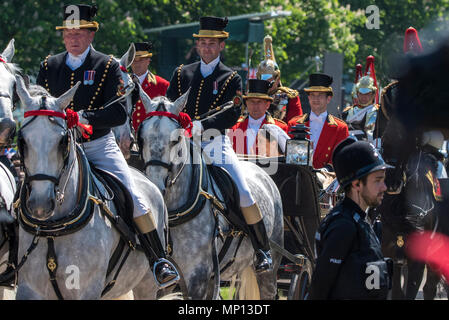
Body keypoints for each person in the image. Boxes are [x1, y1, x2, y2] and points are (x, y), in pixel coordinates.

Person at [36, 4, 179, 288]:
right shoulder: (48, 66)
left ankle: (158, 260)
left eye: (79, 33)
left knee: (135, 197)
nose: (73, 38)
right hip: (57, 150)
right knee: (28, 190)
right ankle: (15, 258)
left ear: (91, 35)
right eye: (68, 33)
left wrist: (85, 117)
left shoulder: (108, 66)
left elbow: (118, 113)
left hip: (97, 146)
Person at [166, 16, 272, 273]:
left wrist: (201, 125)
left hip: (215, 142)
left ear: (221, 45)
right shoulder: (182, 73)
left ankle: (261, 249)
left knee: (244, 192)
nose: (206, 47)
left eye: (212, 43)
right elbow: (169, 107)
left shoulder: (231, 77)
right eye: (202, 42)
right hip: (182, 142)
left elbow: (232, 111)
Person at [309, 137, 393, 300]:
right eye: (377, 180)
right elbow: (319, 287)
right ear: (356, 184)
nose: (384, 187)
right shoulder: (343, 226)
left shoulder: (363, 222)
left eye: (383, 180)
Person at [287, 73, 348, 169]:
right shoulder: (294, 124)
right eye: (312, 95)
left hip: (326, 180)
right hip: (298, 178)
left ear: (328, 98)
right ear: (308, 97)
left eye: (320, 95)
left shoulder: (340, 128)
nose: (316, 99)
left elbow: (340, 158)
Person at [230, 79, 289, 156]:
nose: (255, 106)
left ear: (267, 105)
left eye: (259, 102)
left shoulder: (279, 127)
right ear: (246, 103)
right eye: (252, 102)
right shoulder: (234, 127)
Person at [256, 35, 302, 123]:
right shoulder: (251, 96)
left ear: (277, 78)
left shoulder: (290, 97)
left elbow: (295, 124)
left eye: (270, 79)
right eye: (263, 79)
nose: (267, 82)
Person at [342, 56, 381, 148]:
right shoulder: (347, 112)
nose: (364, 97)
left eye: (367, 94)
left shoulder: (379, 112)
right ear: (357, 94)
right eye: (361, 93)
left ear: (372, 94)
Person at [130, 41, 170, 132]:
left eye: (141, 59)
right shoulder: (123, 84)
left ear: (148, 60)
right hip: (127, 140)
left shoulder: (162, 85)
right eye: (133, 60)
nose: (137, 63)